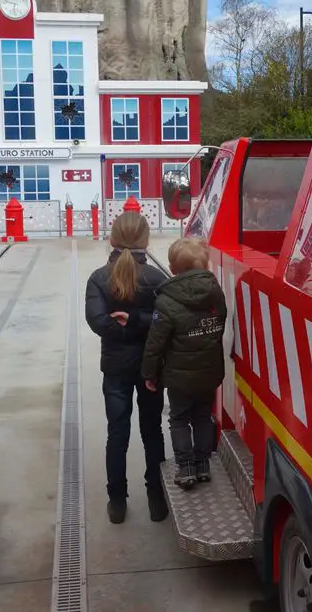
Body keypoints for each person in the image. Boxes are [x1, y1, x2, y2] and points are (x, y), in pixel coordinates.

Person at [85, 211, 169, 524]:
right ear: (145, 240)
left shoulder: (98, 278)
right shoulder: (158, 279)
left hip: (115, 367)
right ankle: (157, 500)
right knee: (152, 431)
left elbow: (97, 322)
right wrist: (142, 324)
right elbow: (166, 320)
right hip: (151, 367)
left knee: (117, 433)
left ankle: (117, 502)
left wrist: (125, 323)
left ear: (112, 238)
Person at [141, 238, 227, 489]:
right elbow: (219, 326)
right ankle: (203, 465)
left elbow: (155, 344)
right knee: (202, 416)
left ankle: (186, 467)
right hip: (210, 371)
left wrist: (150, 373)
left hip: (179, 377)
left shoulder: (166, 301)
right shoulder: (216, 292)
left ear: (173, 267)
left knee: (179, 419)